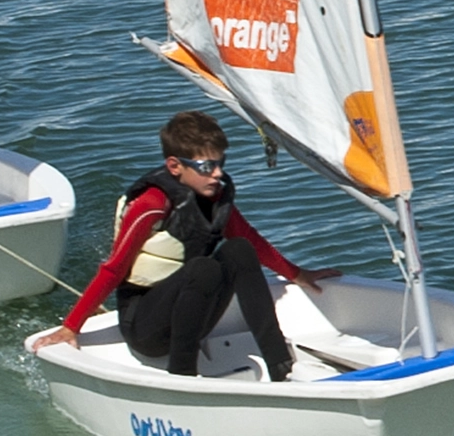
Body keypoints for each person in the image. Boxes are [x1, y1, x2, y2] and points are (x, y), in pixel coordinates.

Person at [58, 110, 324, 380]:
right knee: (203, 268)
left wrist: (297, 274)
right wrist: (71, 327)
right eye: (207, 167)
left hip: (194, 315)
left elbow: (252, 241)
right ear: (175, 166)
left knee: (239, 249)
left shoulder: (215, 198)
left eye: (221, 163)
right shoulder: (150, 205)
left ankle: (280, 366)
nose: (217, 174)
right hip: (146, 327)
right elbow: (113, 269)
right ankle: (183, 375)